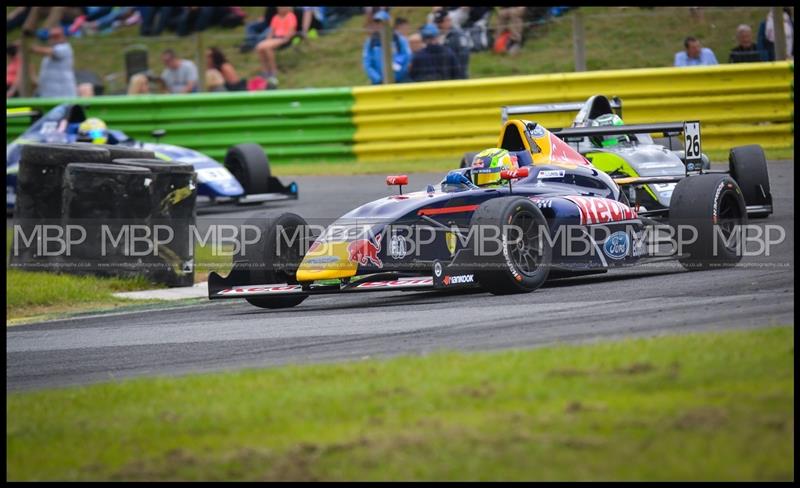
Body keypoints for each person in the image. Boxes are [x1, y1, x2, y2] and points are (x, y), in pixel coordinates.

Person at [362, 10, 411, 84]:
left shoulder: (399, 39)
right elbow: (367, 63)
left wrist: (396, 76)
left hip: (399, 81)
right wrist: (377, 78)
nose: (379, 25)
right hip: (378, 82)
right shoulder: (371, 41)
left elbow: (407, 57)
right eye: (377, 22)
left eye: (382, 22)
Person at [255, 7, 298, 87]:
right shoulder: (275, 17)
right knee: (259, 47)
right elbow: (272, 31)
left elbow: (292, 30)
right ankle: (265, 71)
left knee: (268, 48)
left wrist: (285, 39)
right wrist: (268, 40)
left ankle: (273, 71)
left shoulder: (290, 16)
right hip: (275, 38)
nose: (280, 9)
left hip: (284, 39)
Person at [31, 26, 77, 98]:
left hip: (63, 94)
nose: (53, 39)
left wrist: (31, 48)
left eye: (56, 36)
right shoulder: (51, 51)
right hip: (49, 93)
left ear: (64, 37)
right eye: (51, 36)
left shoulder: (65, 48)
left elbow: (51, 52)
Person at [434, 9, 470, 79]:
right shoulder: (436, 36)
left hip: (457, 76)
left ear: (448, 20)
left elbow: (463, 59)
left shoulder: (458, 36)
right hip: (442, 76)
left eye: (441, 22)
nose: (438, 25)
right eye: (438, 22)